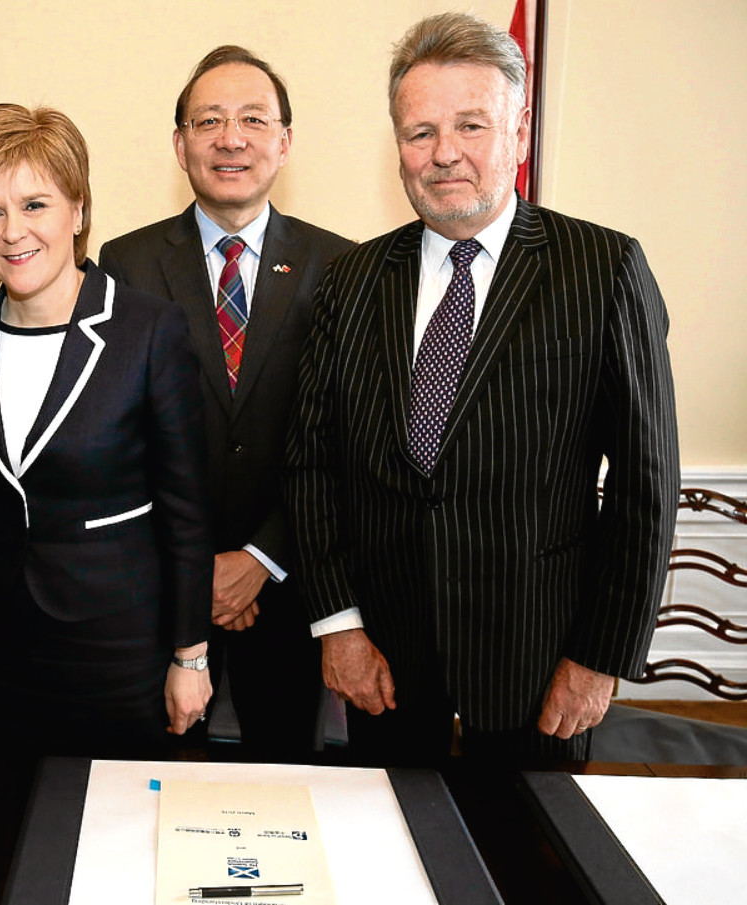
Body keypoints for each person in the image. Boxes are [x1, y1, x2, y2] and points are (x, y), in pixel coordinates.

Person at [285, 12, 679, 764]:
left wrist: (600, 658)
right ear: (397, 144)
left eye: (471, 125)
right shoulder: (351, 281)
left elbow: (645, 485)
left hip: (540, 670)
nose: (444, 155)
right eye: (420, 132)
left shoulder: (603, 269)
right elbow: (312, 465)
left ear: (519, 134)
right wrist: (338, 623)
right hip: (386, 670)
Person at [0, 103, 213, 755]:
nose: (12, 232)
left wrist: (190, 656)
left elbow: (187, 513)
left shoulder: (147, 329)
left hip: (115, 651)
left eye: (35, 205)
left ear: (78, 211)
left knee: (112, 833)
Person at [99, 46, 352, 757]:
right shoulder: (126, 264)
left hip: (291, 579)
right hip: (164, 587)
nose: (230, 138)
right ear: (180, 145)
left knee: (285, 781)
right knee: (160, 777)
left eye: (251, 119)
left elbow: (342, 434)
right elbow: (121, 433)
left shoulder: (343, 266)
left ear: (285, 141)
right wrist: (197, 562)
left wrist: (259, 558)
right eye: (208, 121)